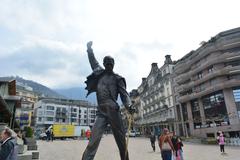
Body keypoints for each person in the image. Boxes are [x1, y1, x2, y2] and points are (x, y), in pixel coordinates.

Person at [82, 41, 135, 160]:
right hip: (101, 112)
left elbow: (124, 95)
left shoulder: (118, 79)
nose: (109, 64)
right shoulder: (99, 73)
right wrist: (89, 49)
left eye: (111, 63)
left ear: (114, 64)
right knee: (93, 141)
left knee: (121, 142)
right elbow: (92, 60)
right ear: (104, 64)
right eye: (107, 62)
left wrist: (129, 106)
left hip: (114, 112)